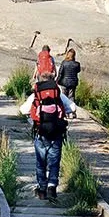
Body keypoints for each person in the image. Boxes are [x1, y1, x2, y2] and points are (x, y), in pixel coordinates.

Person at [20, 72, 76, 200]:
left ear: (39, 81)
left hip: (41, 133)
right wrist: (62, 113)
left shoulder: (36, 94)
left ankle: (41, 190)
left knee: (41, 163)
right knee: (54, 162)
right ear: (53, 81)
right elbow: (72, 107)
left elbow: (23, 110)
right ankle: (52, 187)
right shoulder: (58, 93)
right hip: (56, 133)